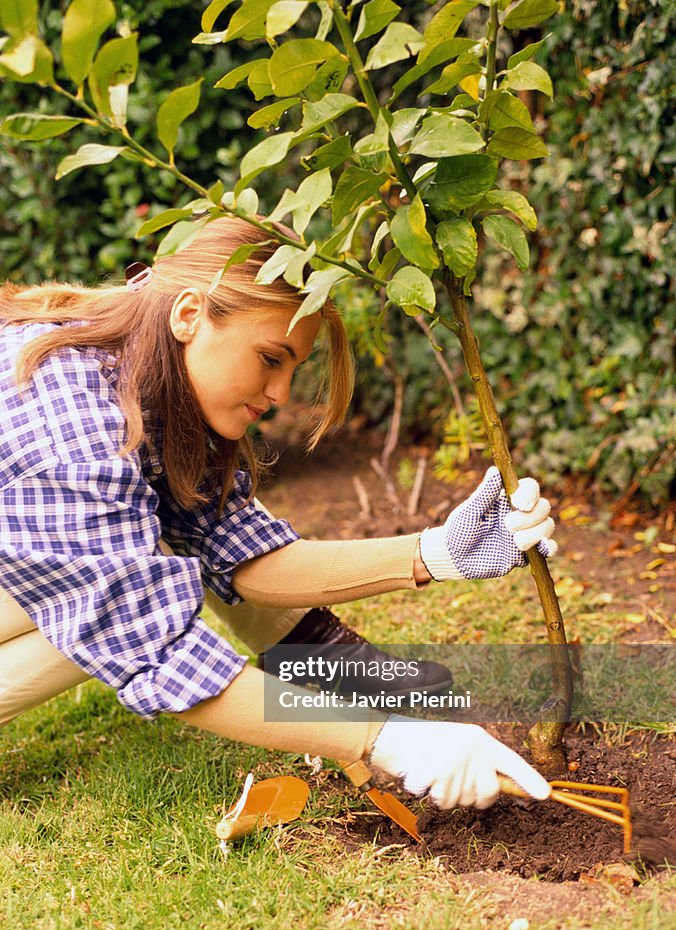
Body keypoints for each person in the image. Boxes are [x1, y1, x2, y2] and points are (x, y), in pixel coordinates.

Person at [0, 218, 557, 811]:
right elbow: (162, 654)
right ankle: (333, 674)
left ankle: (326, 661)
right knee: (118, 595)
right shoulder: (72, 429)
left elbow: (243, 555)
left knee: (137, 563)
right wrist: (384, 740)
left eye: (292, 368)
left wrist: (437, 552)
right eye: (270, 358)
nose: (282, 395)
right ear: (189, 315)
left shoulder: (150, 370)